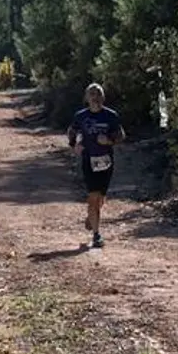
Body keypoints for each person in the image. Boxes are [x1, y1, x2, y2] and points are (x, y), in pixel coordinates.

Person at [67, 83, 124, 248]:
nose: (95, 97)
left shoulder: (111, 116)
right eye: (92, 94)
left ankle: (91, 217)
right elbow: (72, 131)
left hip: (106, 161)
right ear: (86, 98)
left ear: (103, 97)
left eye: (98, 94)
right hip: (88, 160)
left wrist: (109, 141)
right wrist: (74, 145)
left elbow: (121, 135)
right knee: (93, 196)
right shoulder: (81, 116)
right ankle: (96, 235)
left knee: (101, 197)